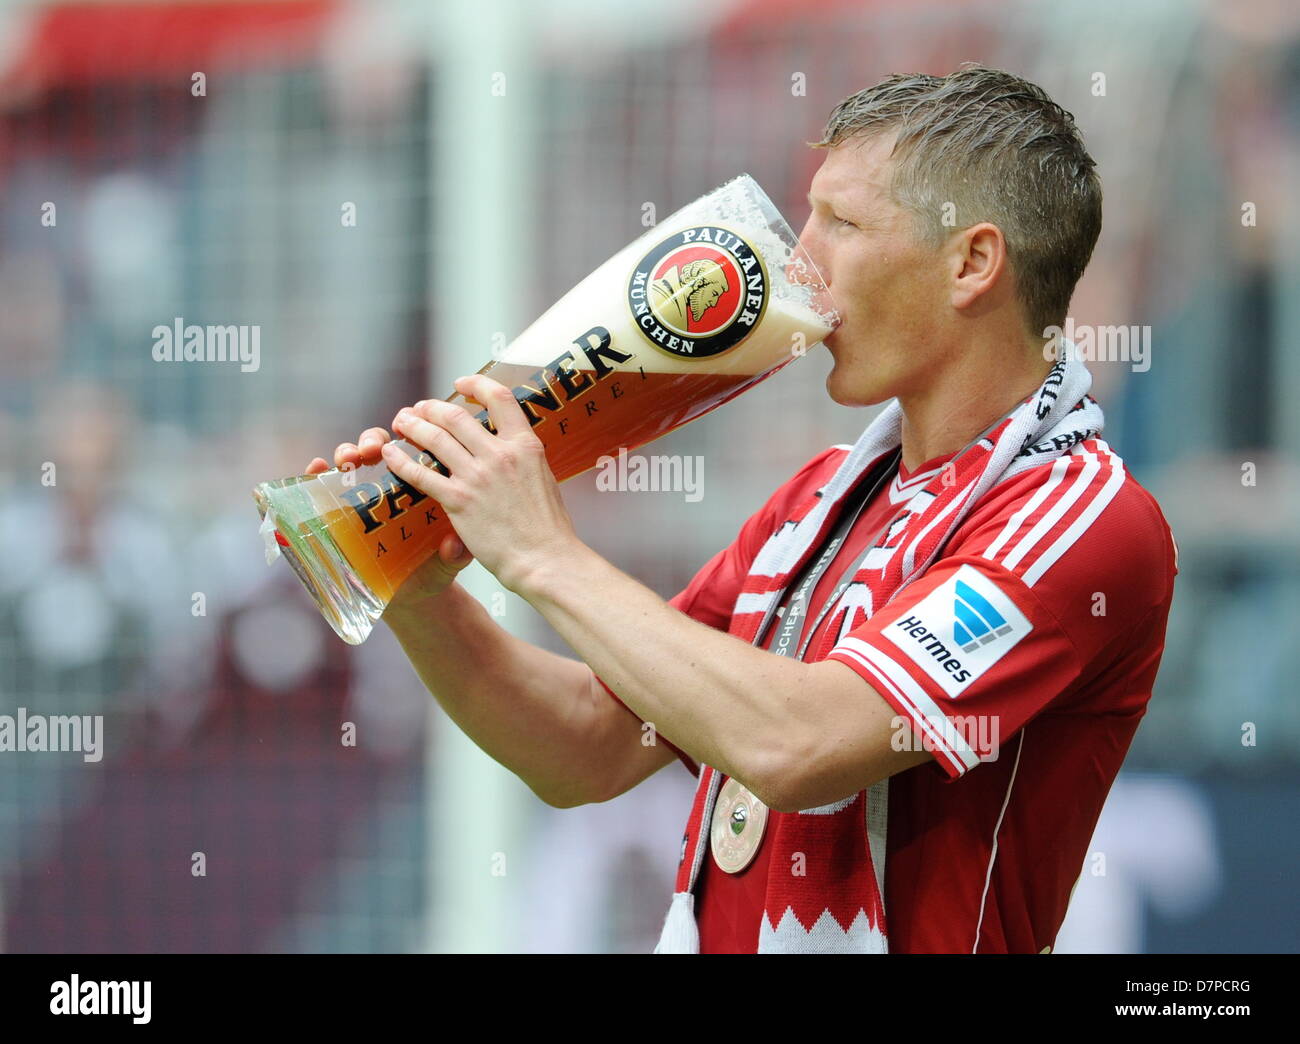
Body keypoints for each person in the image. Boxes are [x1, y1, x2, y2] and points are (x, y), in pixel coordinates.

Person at [305, 66, 1178, 954]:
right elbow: (590, 746)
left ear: (972, 262)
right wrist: (419, 597)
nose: (802, 258)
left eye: (842, 223)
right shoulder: (821, 499)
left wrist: (541, 553)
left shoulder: (1083, 521)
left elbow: (799, 744)